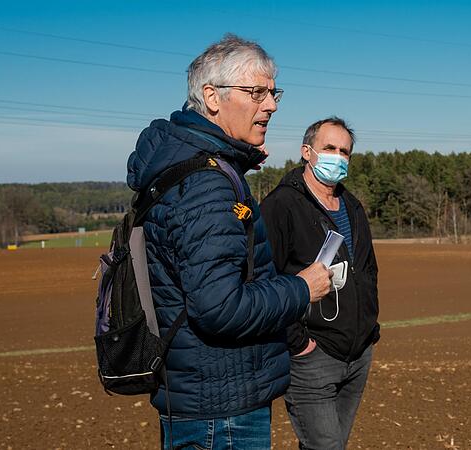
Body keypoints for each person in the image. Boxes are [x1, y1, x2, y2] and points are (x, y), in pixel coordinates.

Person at [126, 34, 332, 449]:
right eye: (256, 92)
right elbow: (219, 307)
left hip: (208, 397)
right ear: (212, 97)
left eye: (274, 93)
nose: (271, 104)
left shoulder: (195, 166)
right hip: (220, 411)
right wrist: (302, 288)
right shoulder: (206, 184)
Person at [260, 117, 380, 449]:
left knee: (330, 444)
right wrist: (297, 342)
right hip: (313, 355)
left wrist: (370, 329)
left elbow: (368, 270)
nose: (338, 157)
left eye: (345, 152)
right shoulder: (281, 206)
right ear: (307, 152)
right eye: (329, 148)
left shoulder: (353, 207)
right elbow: (263, 278)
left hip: (357, 354)